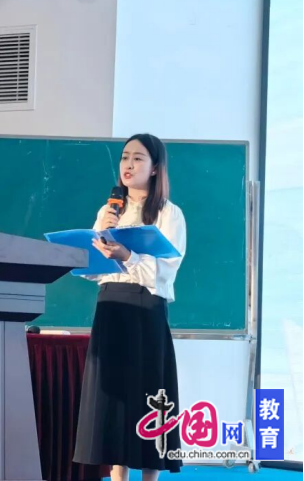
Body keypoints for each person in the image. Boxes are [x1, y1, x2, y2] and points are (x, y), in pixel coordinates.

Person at [72, 134, 186, 481]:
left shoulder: (168, 213)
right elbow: (93, 269)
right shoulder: (108, 211)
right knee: (113, 400)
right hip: (110, 306)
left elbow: (167, 270)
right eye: (124, 157)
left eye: (138, 158)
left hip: (145, 308)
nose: (129, 165)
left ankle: (150, 476)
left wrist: (129, 255)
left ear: (154, 168)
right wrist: (99, 243)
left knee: (148, 393)